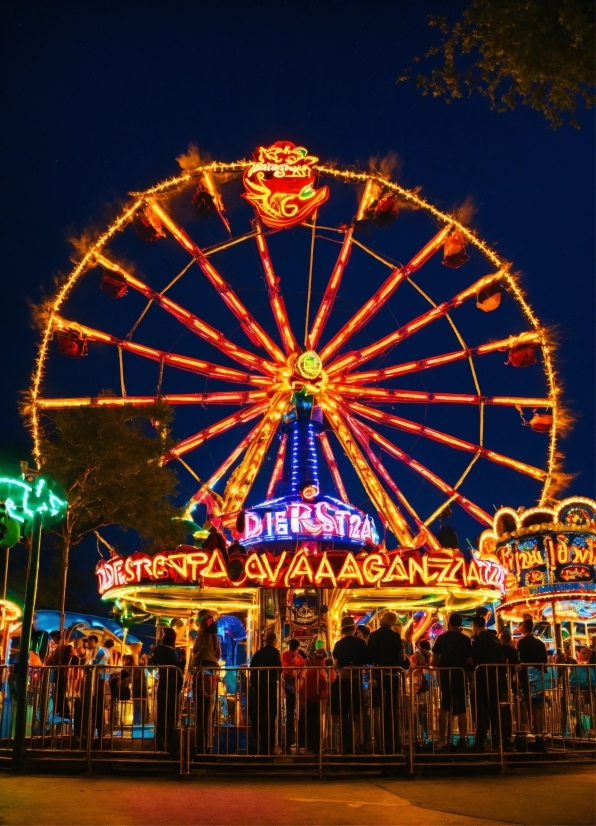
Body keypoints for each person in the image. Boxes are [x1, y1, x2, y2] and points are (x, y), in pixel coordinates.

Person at [366, 611, 409, 754]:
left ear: (383, 620)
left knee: (378, 706)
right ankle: (393, 740)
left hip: (378, 674)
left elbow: (369, 656)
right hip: (393, 674)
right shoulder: (395, 636)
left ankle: (380, 740)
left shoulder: (373, 636)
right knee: (392, 707)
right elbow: (401, 657)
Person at [432, 612, 472, 750]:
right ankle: (462, 738)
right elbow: (469, 659)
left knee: (444, 706)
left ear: (449, 623)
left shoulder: (441, 638)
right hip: (460, 674)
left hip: (445, 674)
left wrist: (435, 664)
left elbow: (435, 658)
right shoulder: (466, 640)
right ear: (460, 624)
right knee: (461, 707)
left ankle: (442, 738)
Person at [332, 616, 367, 754]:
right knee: (357, 712)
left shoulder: (339, 644)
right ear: (354, 628)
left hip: (343, 678)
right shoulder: (360, 642)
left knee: (344, 712)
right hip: (357, 679)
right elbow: (366, 658)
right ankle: (358, 743)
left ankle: (344, 743)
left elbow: (336, 658)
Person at [471, 615, 504, 750]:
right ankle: (497, 737)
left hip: (482, 676)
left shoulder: (478, 640)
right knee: (494, 707)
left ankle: (482, 737)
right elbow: (501, 658)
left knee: (481, 707)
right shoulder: (495, 639)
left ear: (475, 625)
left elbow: (474, 657)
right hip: (495, 676)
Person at [191, 614, 222, 754]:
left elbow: (195, 650)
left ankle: (200, 743)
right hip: (212, 671)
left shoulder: (200, 637)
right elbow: (218, 653)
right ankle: (208, 743)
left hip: (200, 670)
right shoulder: (215, 638)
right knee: (209, 707)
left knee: (199, 708)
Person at [517, 619, 548, 752]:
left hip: (526, 675)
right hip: (538, 675)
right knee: (538, 706)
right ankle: (539, 734)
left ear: (524, 627)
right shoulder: (540, 643)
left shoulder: (521, 643)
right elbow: (544, 661)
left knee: (527, 704)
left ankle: (528, 732)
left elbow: (519, 659)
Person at [150, 627, 183, 755]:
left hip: (165, 683)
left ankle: (160, 738)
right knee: (171, 711)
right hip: (174, 684)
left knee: (162, 711)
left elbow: (155, 662)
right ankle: (169, 738)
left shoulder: (160, 648)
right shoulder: (173, 651)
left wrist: (152, 652)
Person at [249, 631, 282, 755]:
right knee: (271, 715)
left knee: (260, 715)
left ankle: (260, 745)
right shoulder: (274, 652)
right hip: (270, 686)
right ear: (274, 641)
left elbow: (252, 670)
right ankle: (270, 746)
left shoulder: (258, 654)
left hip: (258, 688)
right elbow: (279, 669)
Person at [298, 648, 333, 754]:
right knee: (315, 723)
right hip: (315, 699)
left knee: (308, 722)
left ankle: (309, 745)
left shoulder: (308, 671)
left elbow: (302, 687)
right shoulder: (319, 672)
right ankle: (316, 747)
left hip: (307, 699)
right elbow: (324, 687)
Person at [281, 639, 304, 751]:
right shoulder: (298, 657)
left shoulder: (284, 655)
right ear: (297, 647)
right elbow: (302, 667)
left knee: (289, 714)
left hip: (287, 686)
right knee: (293, 714)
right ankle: (293, 740)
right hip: (295, 686)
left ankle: (288, 741)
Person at [86, 635, 110, 743]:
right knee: (94, 706)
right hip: (96, 681)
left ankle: (99, 734)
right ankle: (94, 733)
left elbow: (93, 663)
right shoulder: (95, 651)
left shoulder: (100, 651)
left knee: (98, 706)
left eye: (89, 642)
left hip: (99, 681)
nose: (87, 644)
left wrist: (87, 665)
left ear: (93, 641)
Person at [410, 639, 432, 742]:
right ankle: (425, 731)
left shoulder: (415, 656)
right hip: (426, 684)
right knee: (425, 708)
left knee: (420, 708)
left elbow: (412, 668)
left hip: (418, 685)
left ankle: (422, 732)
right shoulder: (431, 656)